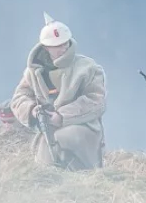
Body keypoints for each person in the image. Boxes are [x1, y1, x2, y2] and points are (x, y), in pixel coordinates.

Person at [9, 12, 107, 170]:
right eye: (57, 46)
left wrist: (61, 116)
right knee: (44, 147)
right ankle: (46, 178)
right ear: (46, 47)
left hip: (83, 128)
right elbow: (19, 98)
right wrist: (33, 111)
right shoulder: (33, 72)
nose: (63, 48)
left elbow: (96, 101)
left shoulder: (88, 68)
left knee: (62, 138)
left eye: (65, 43)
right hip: (46, 129)